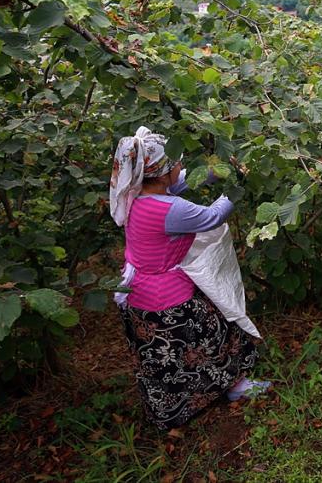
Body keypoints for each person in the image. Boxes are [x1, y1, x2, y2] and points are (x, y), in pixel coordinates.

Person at [109, 126, 268, 429]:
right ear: (161, 172)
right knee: (214, 335)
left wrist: (219, 170)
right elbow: (213, 216)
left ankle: (169, 410)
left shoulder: (136, 194)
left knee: (161, 358)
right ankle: (231, 386)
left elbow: (184, 182)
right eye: (176, 163)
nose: (180, 167)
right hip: (167, 300)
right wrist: (238, 184)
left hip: (137, 295)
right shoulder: (170, 210)